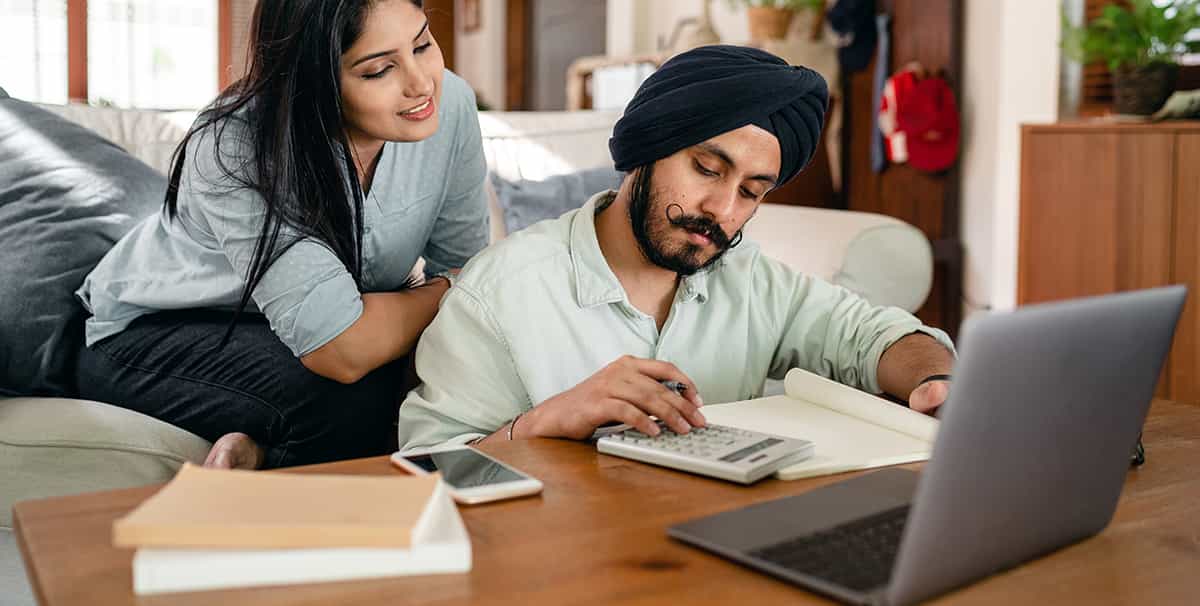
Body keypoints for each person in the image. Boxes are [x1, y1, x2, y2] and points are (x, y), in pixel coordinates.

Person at [396, 45, 955, 451]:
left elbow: (874, 335)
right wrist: (547, 420)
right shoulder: (499, 295)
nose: (724, 209)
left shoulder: (749, 279)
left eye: (751, 192)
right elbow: (426, 472)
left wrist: (936, 383)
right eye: (708, 169)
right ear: (649, 147)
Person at [74, 0, 489, 469]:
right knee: (353, 395)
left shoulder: (448, 104)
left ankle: (262, 445)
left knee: (456, 373)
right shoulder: (234, 143)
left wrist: (446, 294)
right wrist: (448, 291)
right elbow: (343, 348)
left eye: (422, 44)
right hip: (157, 332)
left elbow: (470, 277)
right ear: (314, 78)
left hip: (305, 336)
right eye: (378, 70)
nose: (421, 82)